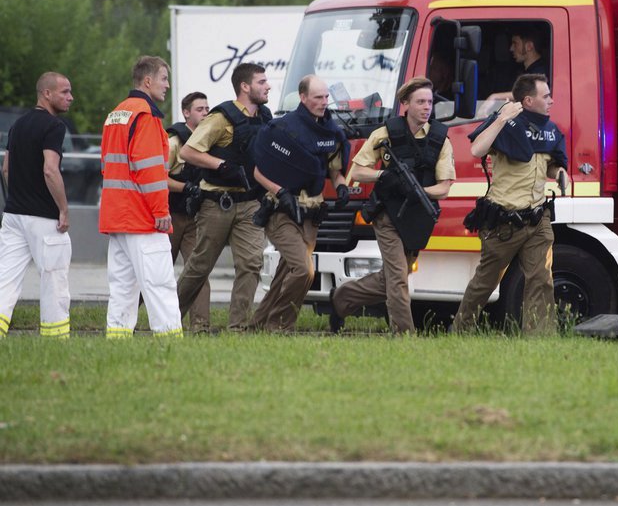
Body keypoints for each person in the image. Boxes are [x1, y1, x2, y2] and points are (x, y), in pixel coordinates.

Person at [330, 77, 455, 335]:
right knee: (398, 278)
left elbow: (444, 187)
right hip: (387, 215)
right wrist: (383, 176)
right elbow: (357, 171)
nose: (426, 107)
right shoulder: (385, 133)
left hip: (417, 216)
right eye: (420, 102)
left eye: (430, 102)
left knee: (392, 278)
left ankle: (341, 298)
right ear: (405, 104)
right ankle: (404, 335)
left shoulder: (440, 138)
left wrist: (418, 191)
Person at [452, 73, 568, 335]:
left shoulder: (549, 130)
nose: (551, 100)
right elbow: (476, 150)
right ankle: (460, 330)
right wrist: (502, 117)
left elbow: (550, 164)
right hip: (503, 222)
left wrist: (559, 172)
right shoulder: (506, 126)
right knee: (485, 282)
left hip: (537, 219)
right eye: (545, 95)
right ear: (528, 100)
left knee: (541, 280)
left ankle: (539, 339)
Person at [176, 63, 272, 331]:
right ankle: (169, 321)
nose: (268, 86)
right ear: (245, 86)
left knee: (251, 265)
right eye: (262, 81)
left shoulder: (265, 117)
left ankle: (237, 329)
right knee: (199, 267)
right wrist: (221, 165)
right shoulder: (221, 117)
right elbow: (188, 152)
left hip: (250, 203)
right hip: (217, 203)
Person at [250, 75, 349, 332]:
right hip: (281, 210)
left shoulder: (331, 133)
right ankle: (279, 325)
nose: (324, 102)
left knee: (287, 272)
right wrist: (279, 191)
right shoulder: (283, 129)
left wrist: (342, 189)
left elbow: (335, 172)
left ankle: (258, 323)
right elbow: (258, 172)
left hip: (311, 214)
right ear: (303, 97)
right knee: (304, 271)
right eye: (318, 97)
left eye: (326, 97)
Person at [99, 56, 183, 338]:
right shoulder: (146, 116)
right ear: (148, 81)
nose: (167, 85)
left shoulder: (116, 114)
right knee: (160, 285)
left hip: (117, 216)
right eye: (164, 79)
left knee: (122, 288)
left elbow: (107, 165)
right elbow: (149, 172)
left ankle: (117, 341)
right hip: (143, 218)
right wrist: (161, 212)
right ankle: (170, 342)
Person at [0, 72, 74, 339]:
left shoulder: (18, 125)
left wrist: (20, 195)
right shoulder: (54, 126)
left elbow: (6, 169)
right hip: (44, 219)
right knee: (53, 279)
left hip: (13, 215)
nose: (70, 97)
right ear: (46, 94)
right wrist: (63, 209)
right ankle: (55, 338)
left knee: (5, 280)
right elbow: (50, 171)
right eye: (64, 92)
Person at [167, 91, 210, 331]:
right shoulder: (173, 142)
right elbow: (158, 179)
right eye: (199, 109)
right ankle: (126, 319)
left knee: (198, 271)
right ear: (186, 113)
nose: (205, 113)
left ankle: (200, 327)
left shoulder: (208, 141)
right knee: (158, 274)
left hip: (195, 219)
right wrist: (186, 187)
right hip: (170, 218)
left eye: (207, 109)